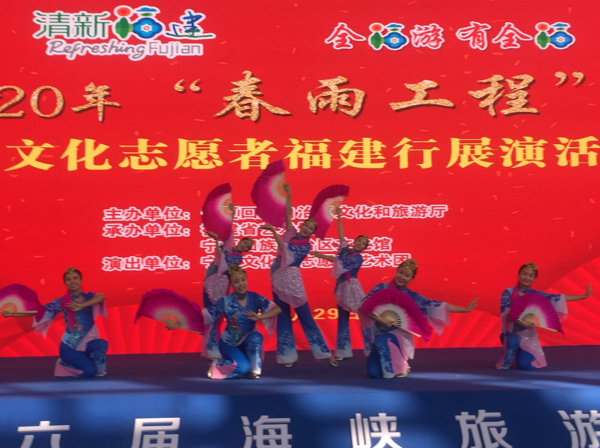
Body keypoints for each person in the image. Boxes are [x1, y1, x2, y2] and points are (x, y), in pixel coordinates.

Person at [261, 182, 338, 367]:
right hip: (278, 279)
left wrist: (273, 232)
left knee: (306, 317)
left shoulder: (305, 246)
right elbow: (288, 214)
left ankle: (325, 353)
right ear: (302, 225)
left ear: (312, 233)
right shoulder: (291, 233)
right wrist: (289, 193)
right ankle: (287, 356)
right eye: (306, 225)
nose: (307, 229)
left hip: (292, 281)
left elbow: (284, 249)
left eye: (311, 229)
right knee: (283, 317)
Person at [362, 259, 477, 378]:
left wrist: (464, 310)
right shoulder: (381, 288)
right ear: (396, 271)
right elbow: (363, 306)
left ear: (411, 279)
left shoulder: (413, 297)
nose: (402, 277)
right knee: (373, 373)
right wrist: (381, 320)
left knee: (383, 342)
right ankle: (395, 363)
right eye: (400, 272)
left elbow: (435, 305)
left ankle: (400, 367)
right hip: (379, 333)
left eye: (407, 275)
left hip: (400, 336)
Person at [166, 265, 281, 379]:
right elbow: (204, 316)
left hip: (247, 341)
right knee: (242, 367)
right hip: (228, 344)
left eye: (243, 280)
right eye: (236, 281)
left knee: (256, 336)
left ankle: (252, 370)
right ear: (231, 284)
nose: (241, 284)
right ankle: (217, 366)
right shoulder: (225, 301)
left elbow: (276, 309)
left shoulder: (254, 298)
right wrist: (178, 323)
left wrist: (260, 317)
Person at [2, 267, 108, 377]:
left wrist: (82, 305)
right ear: (65, 283)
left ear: (81, 280)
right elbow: (39, 311)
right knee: (90, 372)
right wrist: (13, 313)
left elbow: (102, 296)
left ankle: (87, 362)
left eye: (75, 278)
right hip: (70, 347)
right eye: (68, 279)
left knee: (100, 344)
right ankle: (64, 364)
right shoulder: (63, 301)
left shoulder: (89, 297)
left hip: (88, 342)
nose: (72, 281)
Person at [497, 262, 593, 370]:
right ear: (519, 274)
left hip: (528, 335)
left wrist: (583, 296)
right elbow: (506, 314)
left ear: (534, 278)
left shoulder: (535, 294)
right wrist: (522, 323)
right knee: (512, 341)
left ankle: (522, 353)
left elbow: (557, 297)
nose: (527, 277)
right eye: (524, 274)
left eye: (531, 275)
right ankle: (507, 357)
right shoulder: (508, 292)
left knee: (524, 365)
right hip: (511, 332)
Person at [311, 206, 369, 360]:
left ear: (364, 248)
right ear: (355, 241)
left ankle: (372, 347)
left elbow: (339, 262)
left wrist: (321, 255)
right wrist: (339, 216)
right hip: (343, 287)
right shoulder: (345, 251)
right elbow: (341, 235)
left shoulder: (358, 258)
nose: (360, 243)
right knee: (343, 319)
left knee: (365, 317)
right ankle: (342, 352)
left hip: (352, 288)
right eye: (359, 240)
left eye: (363, 243)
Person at [202, 202, 254, 359]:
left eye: (248, 247)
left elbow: (222, 261)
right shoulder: (228, 245)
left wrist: (217, 243)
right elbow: (230, 230)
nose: (245, 246)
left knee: (218, 316)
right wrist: (232, 213)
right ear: (240, 241)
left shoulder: (238, 258)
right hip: (210, 283)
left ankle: (216, 348)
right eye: (245, 242)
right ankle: (209, 348)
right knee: (209, 315)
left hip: (222, 286)